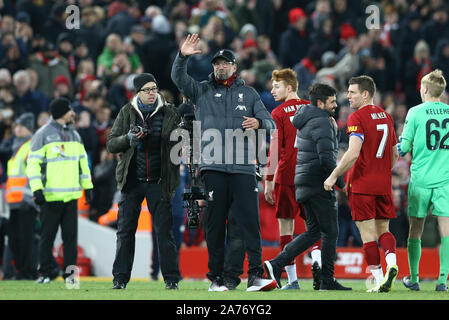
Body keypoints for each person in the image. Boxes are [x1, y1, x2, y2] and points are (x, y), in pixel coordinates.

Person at [171, 33, 277, 292]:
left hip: (242, 167)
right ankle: (216, 278)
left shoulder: (249, 94)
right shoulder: (201, 90)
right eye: (216, 63)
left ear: (234, 67)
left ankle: (253, 277)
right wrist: (182, 56)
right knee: (215, 226)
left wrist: (259, 123)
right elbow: (178, 78)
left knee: (249, 223)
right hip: (213, 167)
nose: (219, 67)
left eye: (224, 63)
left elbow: (271, 123)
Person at [264, 83, 351, 291]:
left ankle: (276, 264)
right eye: (332, 101)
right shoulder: (321, 121)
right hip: (319, 182)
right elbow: (325, 158)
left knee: (313, 232)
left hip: (302, 180)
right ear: (320, 103)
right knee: (330, 232)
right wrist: (341, 182)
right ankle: (327, 281)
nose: (336, 105)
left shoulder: (305, 118)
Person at [324, 75, 399, 293]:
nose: (347, 95)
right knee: (384, 230)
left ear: (365, 94)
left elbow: (353, 153)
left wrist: (333, 176)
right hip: (383, 183)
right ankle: (392, 263)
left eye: (352, 92)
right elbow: (394, 154)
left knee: (367, 236)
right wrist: (382, 171)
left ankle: (377, 280)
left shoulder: (357, 117)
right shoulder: (387, 117)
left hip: (362, 185)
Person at [106, 73, 181, 290]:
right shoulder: (126, 112)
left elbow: (183, 141)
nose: (151, 93)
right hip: (132, 181)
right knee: (125, 231)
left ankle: (171, 280)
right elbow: (111, 144)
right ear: (137, 92)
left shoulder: (170, 112)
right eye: (146, 89)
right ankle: (119, 279)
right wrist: (128, 139)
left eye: (154, 88)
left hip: (159, 180)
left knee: (164, 232)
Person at [264, 68, 322, 290]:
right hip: (311, 174)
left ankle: (292, 280)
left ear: (290, 88)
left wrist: (269, 179)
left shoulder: (278, 113)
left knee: (286, 227)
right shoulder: (313, 109)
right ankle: (317, 262)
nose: (272, 90)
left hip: (287, 175)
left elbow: (275, 150)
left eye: (276, 86)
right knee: (313, 226)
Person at [26, 98, 94, 284]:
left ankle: (70, 275)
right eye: (70, 110)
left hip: (71, 197)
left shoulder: (74, 134)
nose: (73, 113)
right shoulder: (42, 134)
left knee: (70, 240)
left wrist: (88, 187)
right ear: (62, 112)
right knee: (47, 238)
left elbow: (83, 163)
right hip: (50, 196)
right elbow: (32, 164)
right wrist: (37, 189)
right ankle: (46, 273)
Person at [398, 69, 449, 292]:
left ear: (425, 89)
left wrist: (399, 144)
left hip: (420, 179)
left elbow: (404, 148)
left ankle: (415, 279)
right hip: (445, 180)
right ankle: (442, 280)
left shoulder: (415, 112)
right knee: (446, 231)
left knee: (415, 229)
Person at [5, 112, 38, 280]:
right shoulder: (16, 146)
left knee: (26, 240)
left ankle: (28, 272)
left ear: (28, 129)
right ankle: (21, 271)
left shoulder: (30, 145)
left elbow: (34, 172)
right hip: (14, 203)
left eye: (21, 126)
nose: (17, 129)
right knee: (15, 240)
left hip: (26, 201)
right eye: (16, 126)